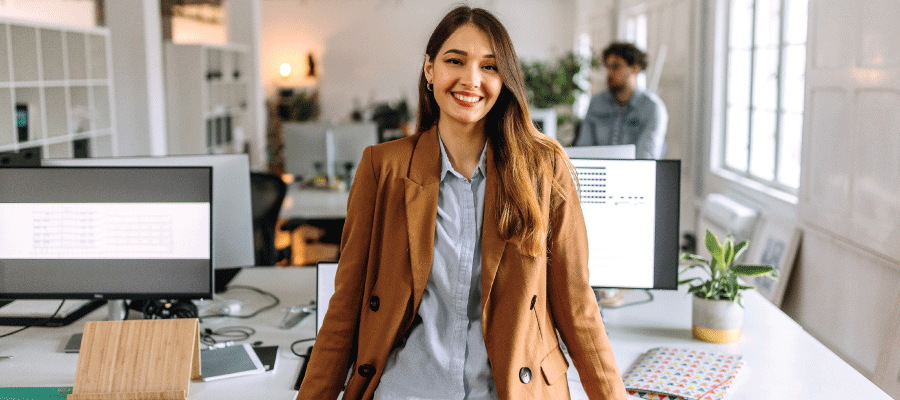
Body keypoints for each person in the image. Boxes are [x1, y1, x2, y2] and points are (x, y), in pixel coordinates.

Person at [296, 6, 627, 400]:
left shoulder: (543, 169)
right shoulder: (383, 168)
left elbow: (578, 307)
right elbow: (345, 308)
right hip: (408, 390)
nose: (471, 80)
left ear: (504, 80)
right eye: (455, 61)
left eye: (489, 66)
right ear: (430, 68)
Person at [575, 42, 668, 159]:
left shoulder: (652, 108)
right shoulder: (596, 103)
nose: (609, 73)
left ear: (635, 69)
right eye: (607, 67)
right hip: (599, 174)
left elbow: (646, 159)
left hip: (635, 175)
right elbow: (583, 151)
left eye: (616, 66)